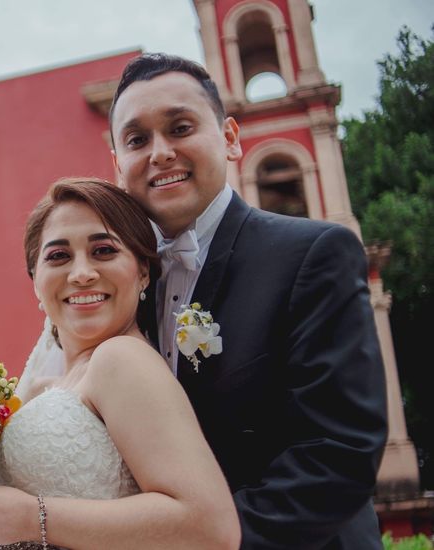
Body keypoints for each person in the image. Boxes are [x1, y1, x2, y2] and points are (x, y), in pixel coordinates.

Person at [107, 53, 388, 549]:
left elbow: (338, 454)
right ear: (117, 165)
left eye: (180, 127)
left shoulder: (314, 255)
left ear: (231, 138)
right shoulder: (121, 287)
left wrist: (197, 542)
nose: (160, 152)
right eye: (137, 140)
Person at [0, 178, 242, 549]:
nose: (81, 273)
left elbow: (209, 527)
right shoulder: (38, 388)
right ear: (35, 280)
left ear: (143, 271)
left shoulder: (122, 360)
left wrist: (28, 518)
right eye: (58, 256)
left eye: (103, 250)